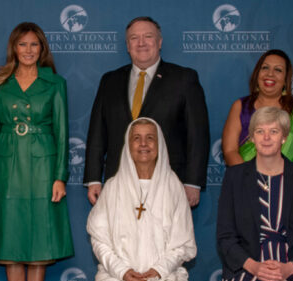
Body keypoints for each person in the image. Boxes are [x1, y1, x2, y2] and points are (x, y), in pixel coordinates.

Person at [0, 22, 72, 281]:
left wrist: (60, 177)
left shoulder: (55, 83)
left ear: (42, 48)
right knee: (11, 241)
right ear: (14, 48)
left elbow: (62, 133)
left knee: (40, 241)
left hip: (44, 169)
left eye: (34, 44)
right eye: (23, 44)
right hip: (6, 169)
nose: (28, 50)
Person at [85, 16, 209, 207]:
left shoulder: (184, 79)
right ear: (127, 46)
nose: (141, 43)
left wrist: (193, 182)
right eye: (134, 38)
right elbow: (97, 133)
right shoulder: (110, 80)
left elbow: (197, 135)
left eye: (148, 36)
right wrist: (94, 178)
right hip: (118, 181)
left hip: (168, 183)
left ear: (159, 42)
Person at [217, 107, 293, 281]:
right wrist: (255, 267)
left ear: (284, 137)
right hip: (248, 266)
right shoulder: (234, 177)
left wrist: (289, 268)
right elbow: (225, 237)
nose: (266, 137)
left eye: (273, 131)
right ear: (252, 137)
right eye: (260, 131)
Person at [87, 118, 196, 281]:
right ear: (128, 145)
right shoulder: (112, 187)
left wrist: (159, 269)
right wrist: (121, 270)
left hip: (163, 278)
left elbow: (183, 242)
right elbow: (99, 239)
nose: (143, 143)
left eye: (150, 138)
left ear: (159, 145)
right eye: (136, 138)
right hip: (117, 278)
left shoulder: (174, 187)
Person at [221, 49, 293, 182]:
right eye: (265, 68)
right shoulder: (241, 106)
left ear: (286, 80)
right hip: (246, 185)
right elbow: (230, 150)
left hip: (290, 188)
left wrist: (283, 183)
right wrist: (252, 180)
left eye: (278, 70)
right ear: (257, 74)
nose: (270, 74)